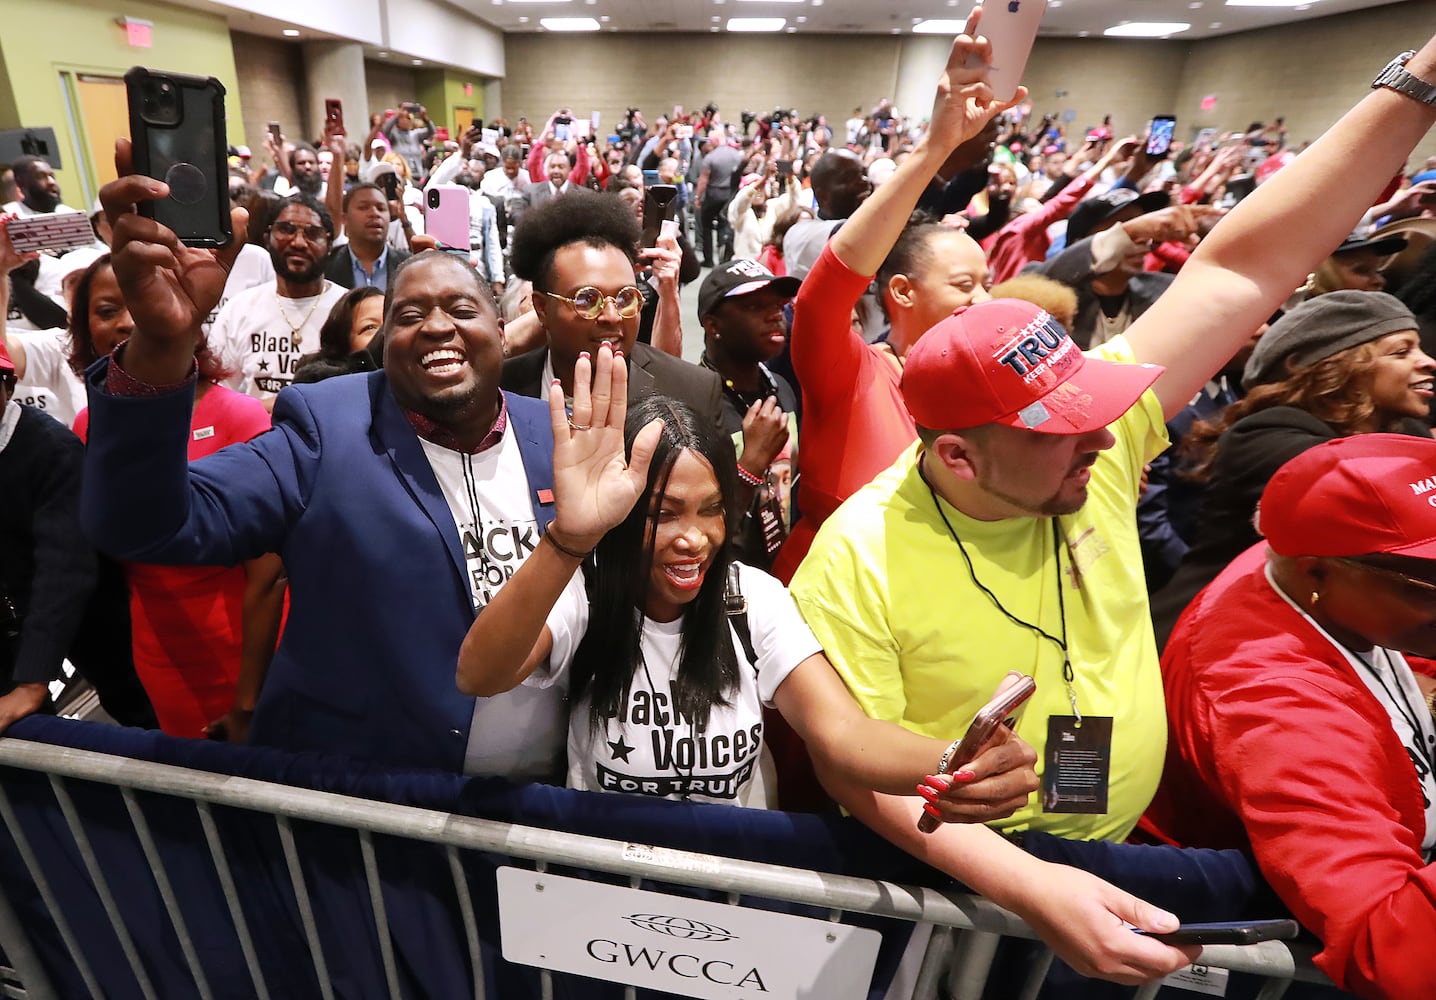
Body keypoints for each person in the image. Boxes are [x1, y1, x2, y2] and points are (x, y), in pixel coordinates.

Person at [790, 12, 1436, 984]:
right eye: (1063, 432)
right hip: (973, 892)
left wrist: (1416, 84)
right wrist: (1031, 887)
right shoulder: (856, 555)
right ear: (959, 459)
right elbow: (857, 777)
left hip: (1113, 850)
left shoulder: (1082, 452)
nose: (1107, 440)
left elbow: (1243, 265)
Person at [82, 137, 573, 775]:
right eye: (407, 315)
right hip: (378, 802)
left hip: (544, 804)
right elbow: (142, 525)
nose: (436, 326)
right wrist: (161, 344)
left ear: (502, 334)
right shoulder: (328, 429)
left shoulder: (553, 433)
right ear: (383, 346)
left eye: (461, 308)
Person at [458, 346, 1037, 816]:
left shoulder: (751, 597)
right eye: (662, 515)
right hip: (612, 900)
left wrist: (952, 761)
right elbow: (481, 674)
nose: (694, 537)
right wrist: (571, 538)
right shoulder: (586, 590)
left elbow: (840, 733)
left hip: (735, 908)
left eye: (710, 510)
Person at [1141, 435, 1436, 1000]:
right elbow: (1396, 954)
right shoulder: (1274, 706)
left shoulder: (1303, 560)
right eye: (1429, 584)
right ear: (1317, 573)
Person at [66, 255, 285, 740]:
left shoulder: (239, 416)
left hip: (248, 654)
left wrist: (249, 700)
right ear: (84, 329)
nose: (129, 320)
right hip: (159, 655)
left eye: (141, 302)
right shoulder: (87, 426)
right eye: (106, 310)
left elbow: (268, 577)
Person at [1150, 291, 1435, 647]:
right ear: (1329, 364)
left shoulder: (1405, 431)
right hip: (1223, 642)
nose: (1428, 362)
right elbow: (1373, 489)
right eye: (1401, 351)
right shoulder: (1265, 435)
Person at [502, 189, 724, 435]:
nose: (612, 316)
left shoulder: (691, 391)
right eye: (586, 299)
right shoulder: (500, 389)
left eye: (625, 298)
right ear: (542, 308)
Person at [697, 259, 801, 569]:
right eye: (755, 306)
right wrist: (751, 464)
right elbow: (694, 523)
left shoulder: (780, 388)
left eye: (778, 304)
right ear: (713, 325)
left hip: (783, 571)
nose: (775, 315)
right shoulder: (695, 402)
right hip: (724, 579)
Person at [208, 195, 347, 405]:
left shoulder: (350, 309)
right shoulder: (239, 309)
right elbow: (217, 395)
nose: (299, 242)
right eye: (287, 229)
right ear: (267, 238)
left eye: (312, 233)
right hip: (258, 434)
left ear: (329, 244)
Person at [322, 182, 411, 292]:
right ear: (344, 218)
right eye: (363, 207)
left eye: (381, 208)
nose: (374, 213)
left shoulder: (407, 266)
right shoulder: (325, 267)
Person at [293, 286, 384, 384]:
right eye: (370, 327)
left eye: (391, 322)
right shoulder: (321, 390)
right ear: (343, 345)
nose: (384, 333)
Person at [695, 132, 744, 268]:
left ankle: (708, 259)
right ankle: (724, 260)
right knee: (724, 225)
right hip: (729, 194)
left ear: (715, 141)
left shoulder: (710, 157)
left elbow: (703, 179)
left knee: (706, 226)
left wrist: (698, 197)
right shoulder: (736, 155)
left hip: (713, 194)